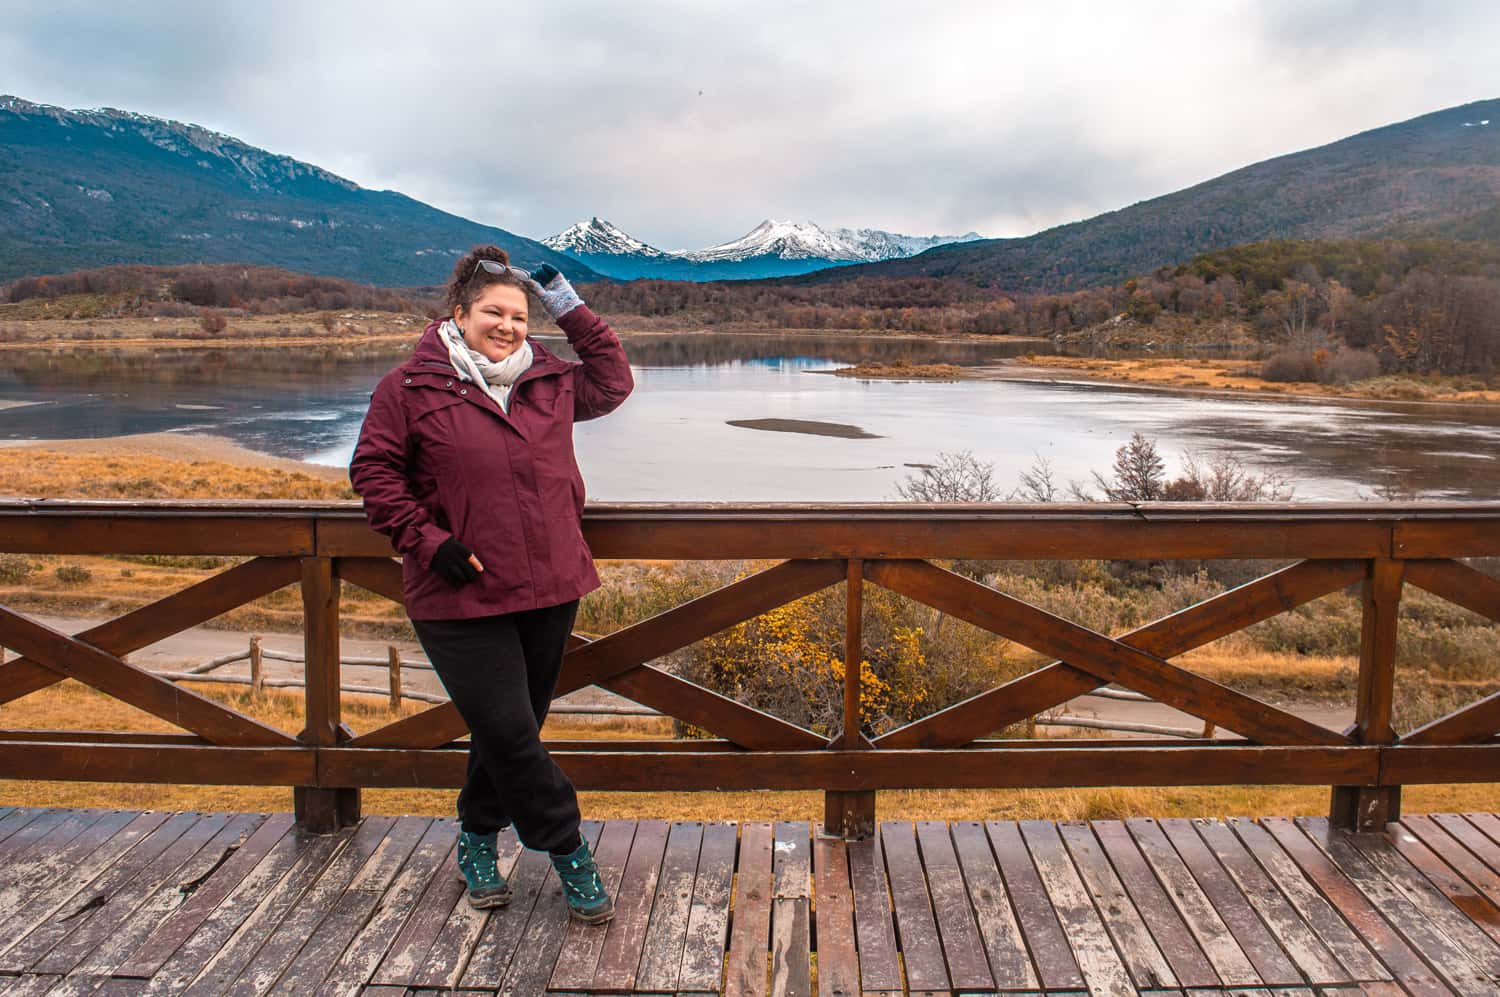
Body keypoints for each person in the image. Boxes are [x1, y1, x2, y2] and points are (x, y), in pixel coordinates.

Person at [350, 245, 633, 923]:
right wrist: (429, 541)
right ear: (459, 313)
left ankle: (477, 838)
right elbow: (374, 475)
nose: (507, 325)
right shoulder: (409, 387)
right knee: (509, 729)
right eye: (492, 312)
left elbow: (615, 379)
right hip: (457, 593)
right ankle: (568, 847)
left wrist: (567, 303)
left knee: (508, 732)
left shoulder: (551, 381)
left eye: (518, 314)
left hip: (549, 584)